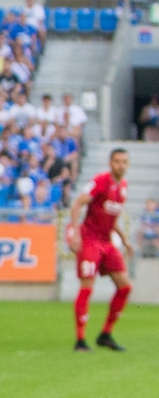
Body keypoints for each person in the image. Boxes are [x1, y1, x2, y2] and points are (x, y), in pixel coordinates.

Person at [67, 148, 134, 351]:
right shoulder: (100, 181)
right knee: (87, 286)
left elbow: (111, 218)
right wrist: (76, 233)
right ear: (110, 162)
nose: (121, 165)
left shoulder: (123, 186)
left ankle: (105, 334)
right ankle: (80, 339)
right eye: (117, 161)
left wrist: (124, 240)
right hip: (90, 240)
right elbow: (77, 203)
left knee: (125, 287)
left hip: (107, 242)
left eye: (124, 161)